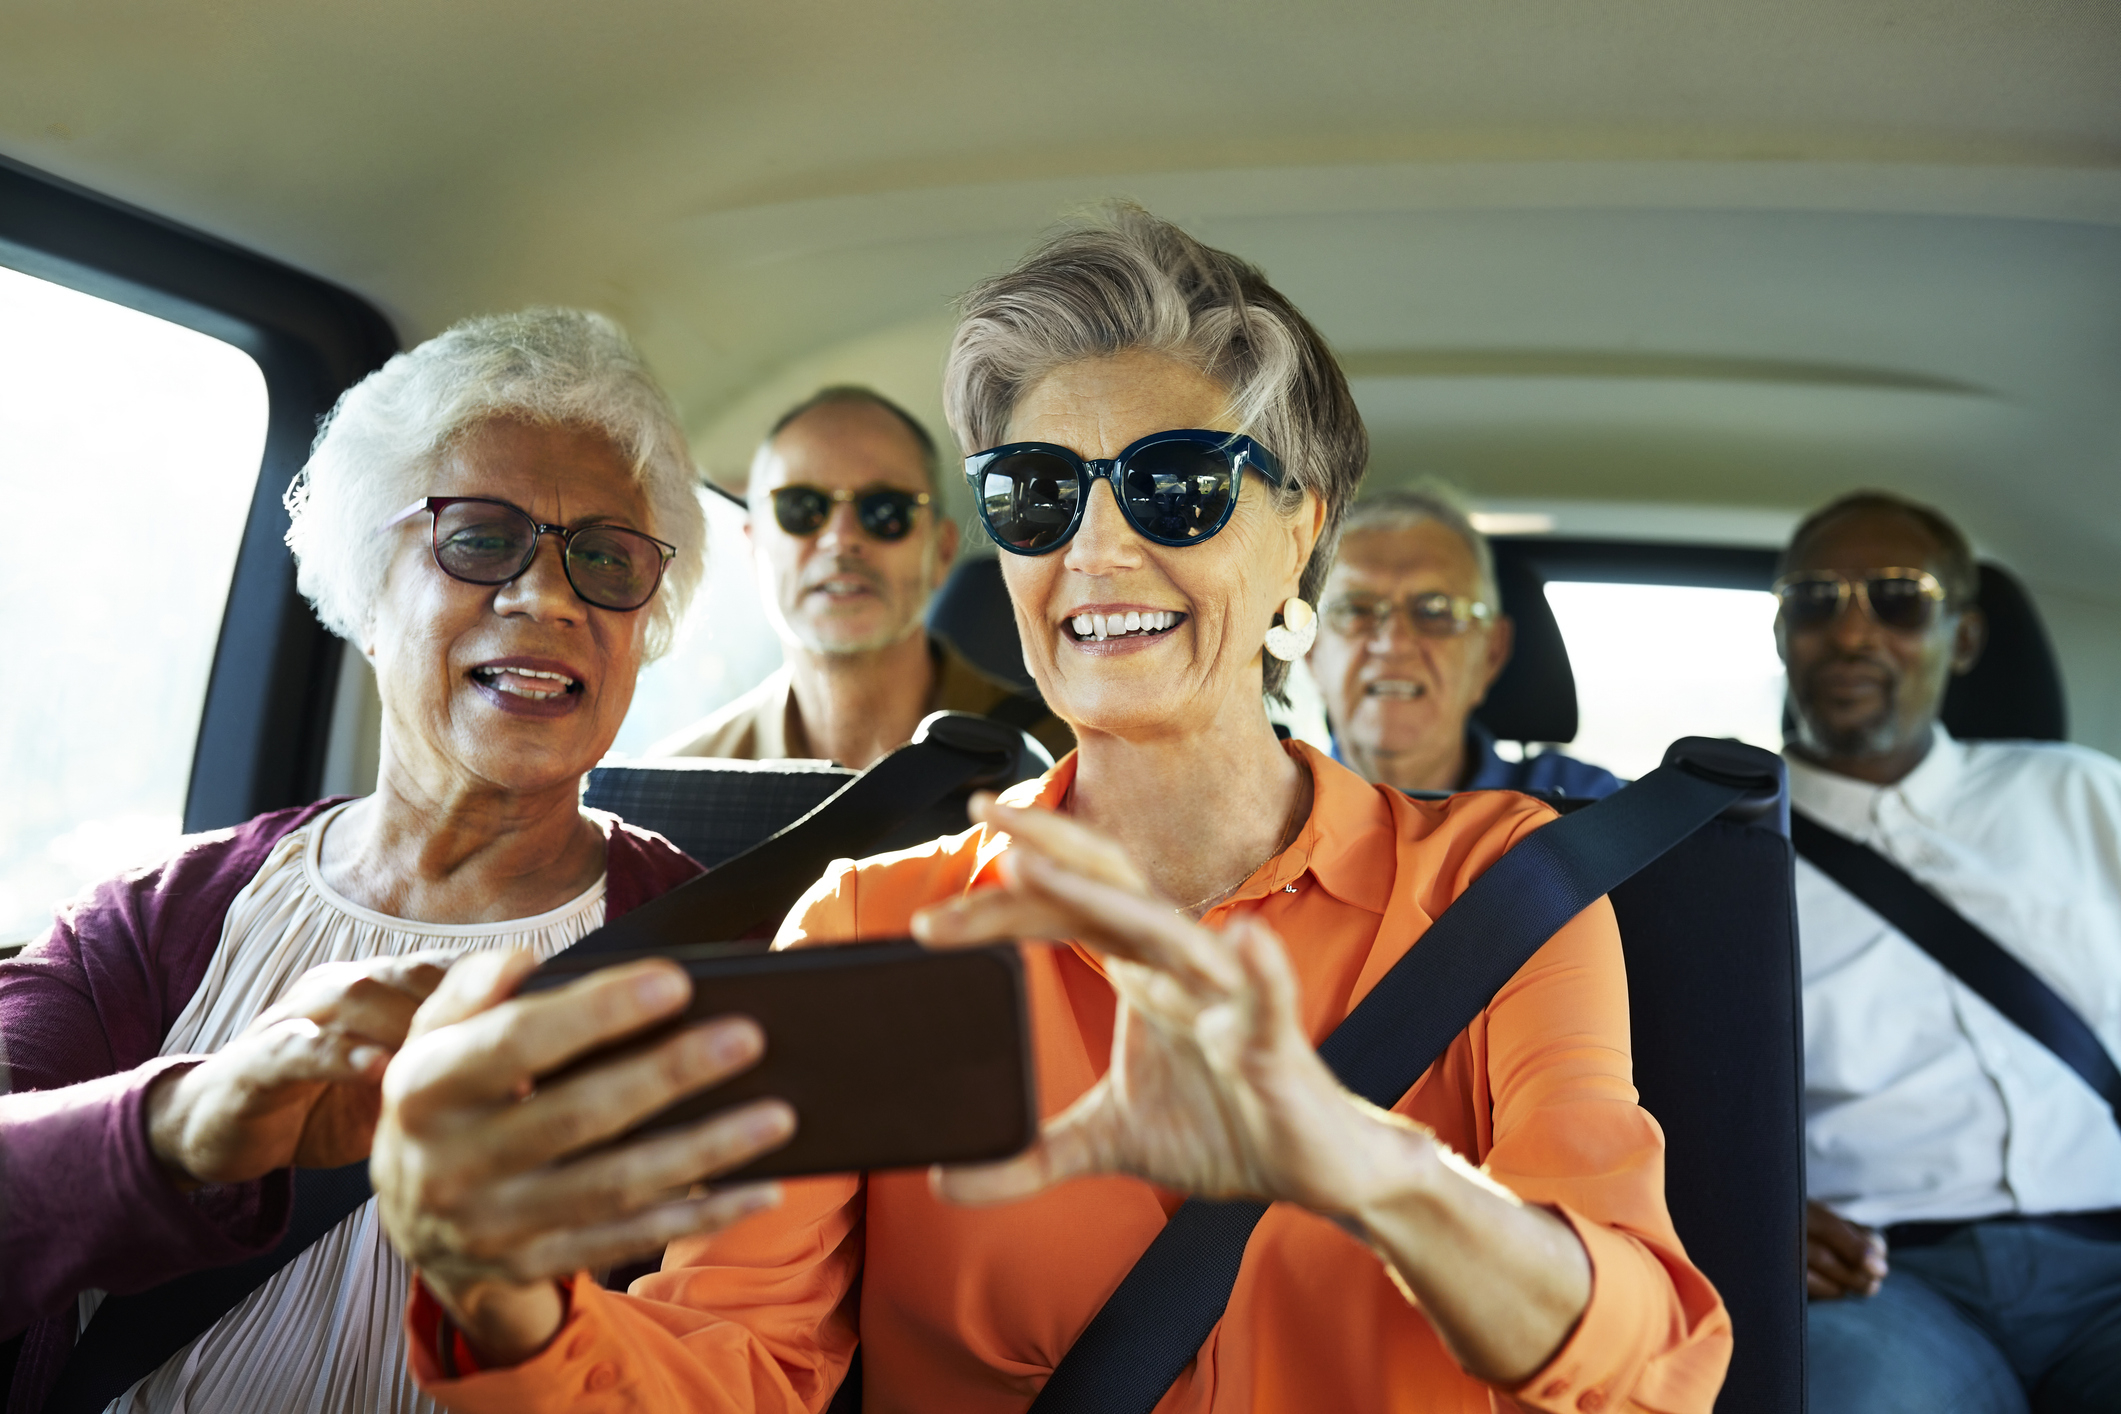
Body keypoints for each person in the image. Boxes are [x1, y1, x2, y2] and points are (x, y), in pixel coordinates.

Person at [373, 205, 1730, 1413]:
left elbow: (1648, 1370)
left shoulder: (1500, 890)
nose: (1094, 544)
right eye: (1036, 493)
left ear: (1298, 533)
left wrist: (1366, 1166)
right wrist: (502, 1304)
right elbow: (739, 1365)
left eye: (1178, 484)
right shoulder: (873, 920)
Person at [0, 308, 715, 1411]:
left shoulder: (726, 949)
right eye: (480, 538)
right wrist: (179, 1126)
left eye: (606, 558)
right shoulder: (147, 923)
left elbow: (736, 1354)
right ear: (365, 591)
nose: (547, 596)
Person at [1780, 491, 2121, 1413]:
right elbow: (1667, 1093)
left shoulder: (2083, 796)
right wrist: (1746, 1206)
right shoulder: (1720, 853)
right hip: (1882, 1284)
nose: (1851, 633)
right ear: (1781, 635)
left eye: (1897, 598)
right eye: (1815, 600)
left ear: (1962, 639)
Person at [647, 386, 1072, 768]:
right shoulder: (673, 789)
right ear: (753, 547)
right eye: (800, 507)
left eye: (885, 510)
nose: (840, 538)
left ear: (941, 552)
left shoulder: (1062, 764)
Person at [1308, 485, 1622, 797]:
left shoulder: (1589, 811)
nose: (1393, 643)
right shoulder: (1270, 816)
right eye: (1356, 610)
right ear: (1310, 651)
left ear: (1491, 653)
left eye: (1435, 611)